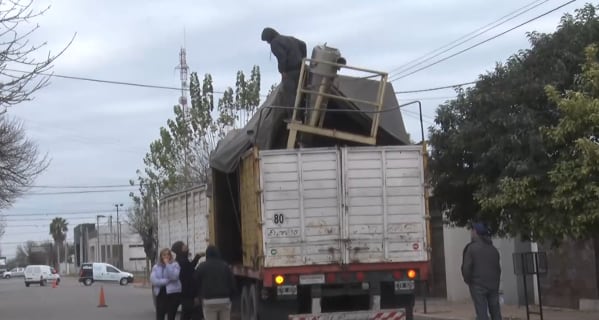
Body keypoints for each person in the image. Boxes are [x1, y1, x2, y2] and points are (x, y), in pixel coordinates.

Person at [261, 27, 307, 116]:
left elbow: (282, 57)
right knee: (300, 94)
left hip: (290, 71)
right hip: (300, 70)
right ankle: (302, 116)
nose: (267, 42)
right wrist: (303, 59)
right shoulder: (290, 39)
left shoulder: (275, 43)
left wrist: (283, 71)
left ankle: (294, 117)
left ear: (269, 37)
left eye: (267, 40)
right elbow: (303, 44)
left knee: (289, 95)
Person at [461, 222, 502, 320]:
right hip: (493, 285)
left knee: (481, 312)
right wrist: (496, 282)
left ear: (476, 232)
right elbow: (498, 268)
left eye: (472, 231)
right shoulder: (493, 249)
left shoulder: (471, 248)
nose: (471, 233)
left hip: (477, 285)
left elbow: (466, 268)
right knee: (495, 311)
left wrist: (468, 281)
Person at [194, 245, 236, 320]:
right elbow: (232, 283)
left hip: (209, 301)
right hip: (224, 300)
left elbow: (196, 281)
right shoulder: (225, 266)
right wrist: (231, 297)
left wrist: (199, 296)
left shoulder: (202, 266)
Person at [171, 241, 205, 320]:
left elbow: (190, 267)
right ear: (179, 249)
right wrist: (195, 295)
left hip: (185, 293)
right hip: (187, 293)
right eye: (183, 246)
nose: (186, 246)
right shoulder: (182, 261)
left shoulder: (181, 260)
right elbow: (190, 275)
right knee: (188, 314)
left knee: (189, 314)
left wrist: (197, 257)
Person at [151, 248, 182, 320]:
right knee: (160, 315)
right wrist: (166, 281)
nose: (166, 256)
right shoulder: (156, 267)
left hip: (173, 293)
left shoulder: (175, 265)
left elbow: (174, 277)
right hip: (161, 292)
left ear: (170, 256)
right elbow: (154, 280)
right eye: (164, 255)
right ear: (161, 256)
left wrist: (167, 264)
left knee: (171, 315)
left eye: (168, 254)